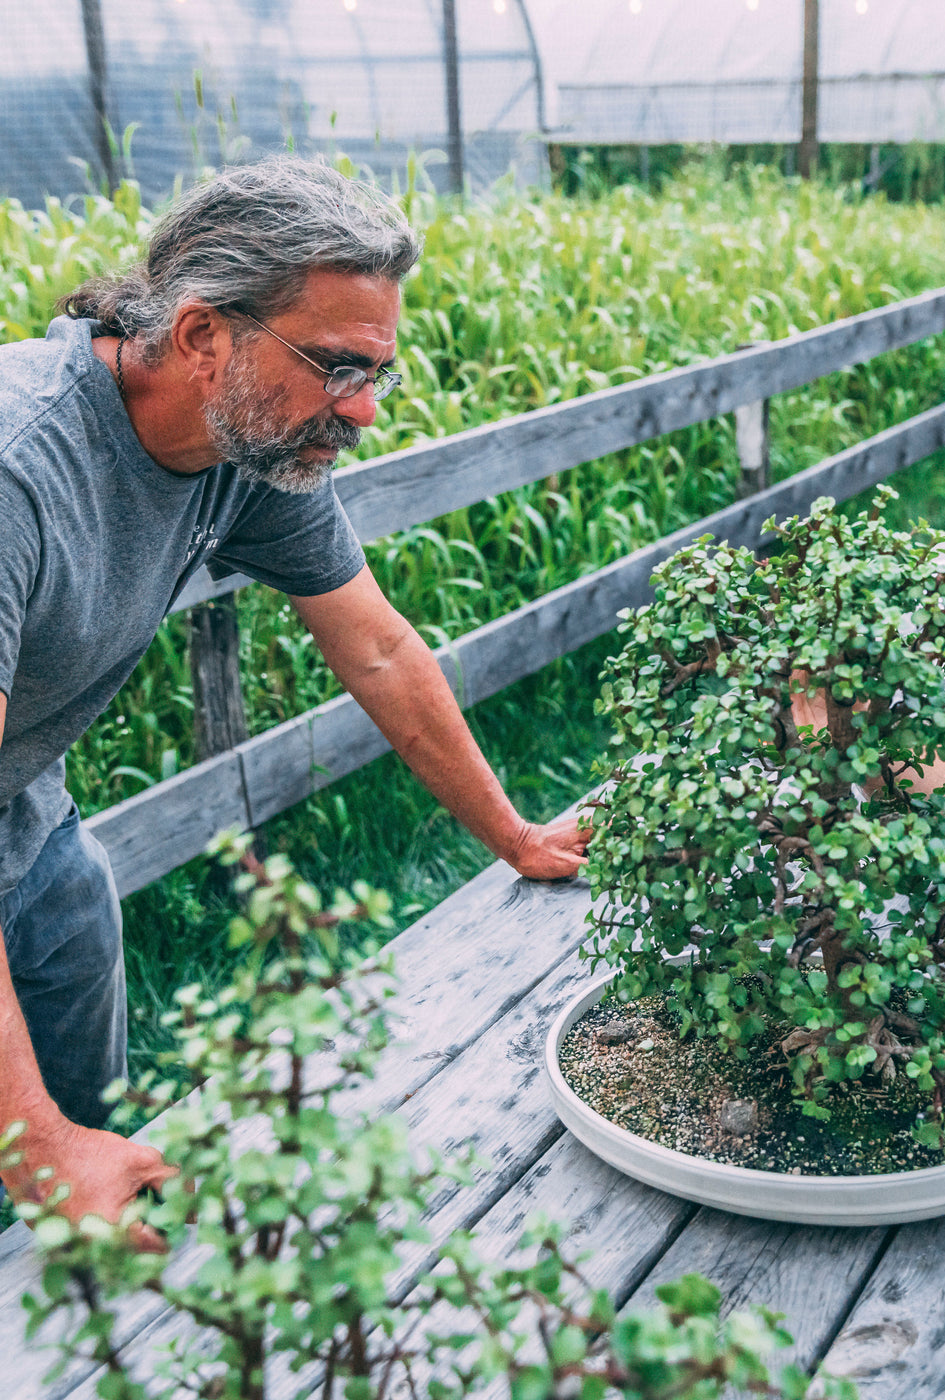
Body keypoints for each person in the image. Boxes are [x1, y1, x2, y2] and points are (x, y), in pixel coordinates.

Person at [0, 157, 591, 1247]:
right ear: (199, 335)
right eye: (334, 367)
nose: (362, 408)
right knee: (39, 1145)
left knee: (97, 1153)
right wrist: (33, 1141)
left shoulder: (248, 448)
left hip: (27, 818)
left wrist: (514, 836)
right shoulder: (21, 465)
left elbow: (376, 649)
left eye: (377, 373)